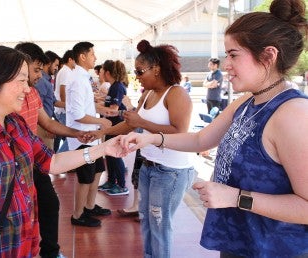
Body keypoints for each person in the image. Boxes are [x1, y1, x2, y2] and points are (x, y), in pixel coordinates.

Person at [120, 0, 308, 257]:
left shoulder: (293, 114)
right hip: (240, 243)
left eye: (233, 55)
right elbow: (200, 140)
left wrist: (235, 198)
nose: (226, 64)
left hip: (273, 248)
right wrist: (151, 139)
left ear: (269, 56)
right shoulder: (247, 101)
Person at [0, 45, 126, 258]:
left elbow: (52, 162)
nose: (28, 88)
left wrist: (103, 148)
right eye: (21, 81)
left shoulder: (15, 124)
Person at [95, 39, 195, 257]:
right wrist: (101, 133)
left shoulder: (177, 94)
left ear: (156, 70)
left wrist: (141, 123)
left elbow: (180, 132)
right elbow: (132, 122)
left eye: (140, 71)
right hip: (149, 166)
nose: (137, 77)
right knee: (147, 221)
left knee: (159, 225)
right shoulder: (148, 94)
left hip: (170, 171)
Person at [15, 42, 87, 258]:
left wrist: (76, 133)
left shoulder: (34, 94)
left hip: (31, 159)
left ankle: (50, 252)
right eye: (36, 70)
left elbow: (47, 123)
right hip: (12, 164)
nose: (39, 75)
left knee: (49, 202)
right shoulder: (7, 97)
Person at [67, 41, 113, 227]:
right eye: (92, 54)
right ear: (82, 56)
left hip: (90, 135)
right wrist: (101, 121)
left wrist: (104, 111)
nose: (95, 57)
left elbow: (86, 105)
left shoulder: (83, 77)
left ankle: (89, 205)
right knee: (86, 177)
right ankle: (77, 215)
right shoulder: (77, 79)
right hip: (82, 137)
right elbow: (78, 114)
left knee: (98, 171)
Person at [95, 60, 129, 196]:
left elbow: (114, 109)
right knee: (109, 154)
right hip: (111, 125)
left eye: (102, 71)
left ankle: (121, 185)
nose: (100, 73)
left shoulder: (117, 87)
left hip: (117, 125)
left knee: (115, 155)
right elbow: (109, 104)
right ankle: (111, 181)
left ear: (107, 72)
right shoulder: (113, 86)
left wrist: (97, 108)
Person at [35, 50, 61, 149]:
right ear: (49, 63)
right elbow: (38, 107)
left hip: (46, 123)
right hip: (43, 125)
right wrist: (47, 126)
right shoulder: (42, 81)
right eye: (56, 65)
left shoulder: (47, 80)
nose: (56, 68)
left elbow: (53, 101)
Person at [54, 49, 75, 153]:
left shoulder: (67, 71)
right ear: (70, 59)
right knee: (72, 138)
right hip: (63, 110)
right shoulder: (66, 71)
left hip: (63, 109)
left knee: (71, 138)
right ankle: (57, 161)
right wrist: (68, 107)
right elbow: (63, 91)